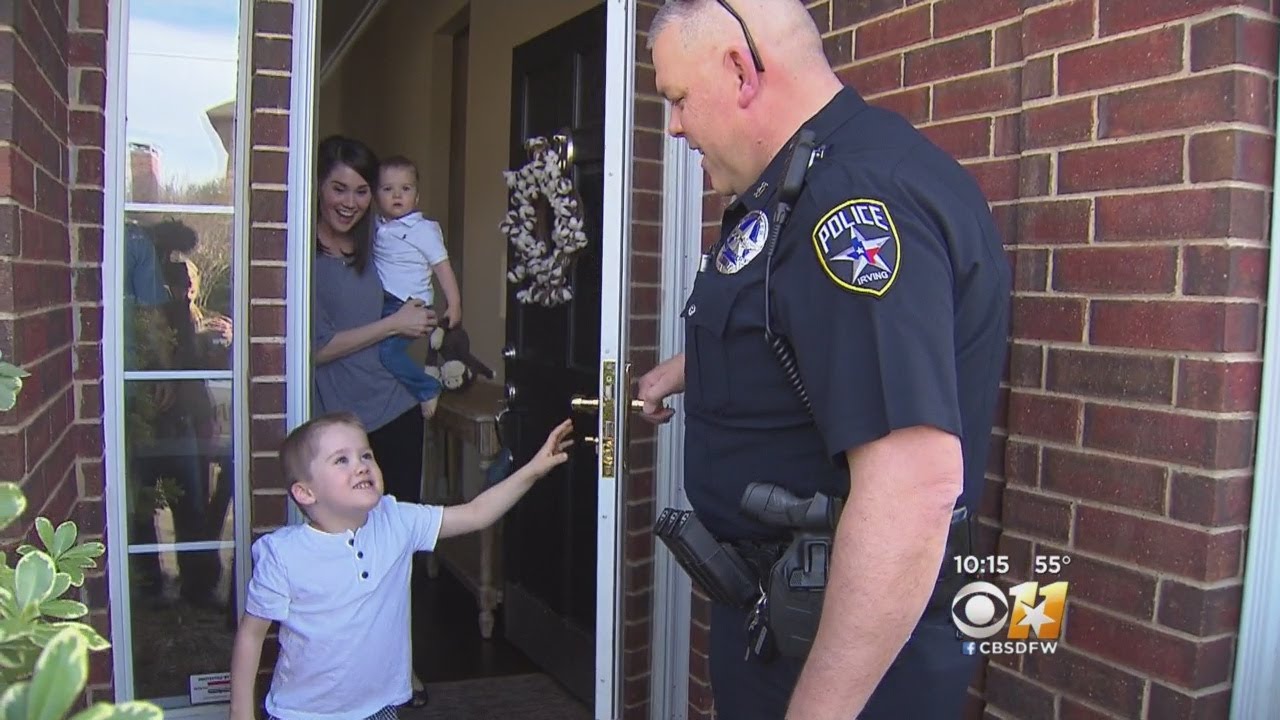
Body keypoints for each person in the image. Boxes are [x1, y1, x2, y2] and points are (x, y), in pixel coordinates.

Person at [638, 1, 1011, 718]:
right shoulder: (801, 182)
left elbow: (914, 489)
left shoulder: (854, 202)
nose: (675, 126)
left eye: (678, 99)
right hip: (784, 625)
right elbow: (802, 332)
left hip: (846, 660)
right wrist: (687, 368)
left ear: (742, 72)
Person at [228, 412, 575, 720]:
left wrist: (534, 469)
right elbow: (251, 635)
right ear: (305, 493)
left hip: (380, 708)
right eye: (341, 460)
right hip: (303, 713)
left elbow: (476, 513)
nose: (361, 465)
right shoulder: (283, 554)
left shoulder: (396, 520)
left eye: (366, 454)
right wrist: (240, 713)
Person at [308, 135, 437, 704]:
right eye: (339, 187)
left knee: (395, 550)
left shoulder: (377, 247)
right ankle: (345, 675)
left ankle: (399, 667)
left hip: (397, 413)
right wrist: (393, 327)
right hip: (339, 430)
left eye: (362, 191)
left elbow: (422, 282)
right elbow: (316, 348)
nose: (352, 201)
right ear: (317, 186)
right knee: (339, 555)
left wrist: (431, 323)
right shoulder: (303, 255)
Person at [372, 155, 463, 419]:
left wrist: (454, 303)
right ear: (377, 196)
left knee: (386, 353)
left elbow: (442, 266)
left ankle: (427, 388)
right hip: (384, 302)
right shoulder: (377, 227)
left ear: (417, 197)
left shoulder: (423, 229)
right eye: (388, 189)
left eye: (405, 189)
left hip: (409, 303)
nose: (397, 195)